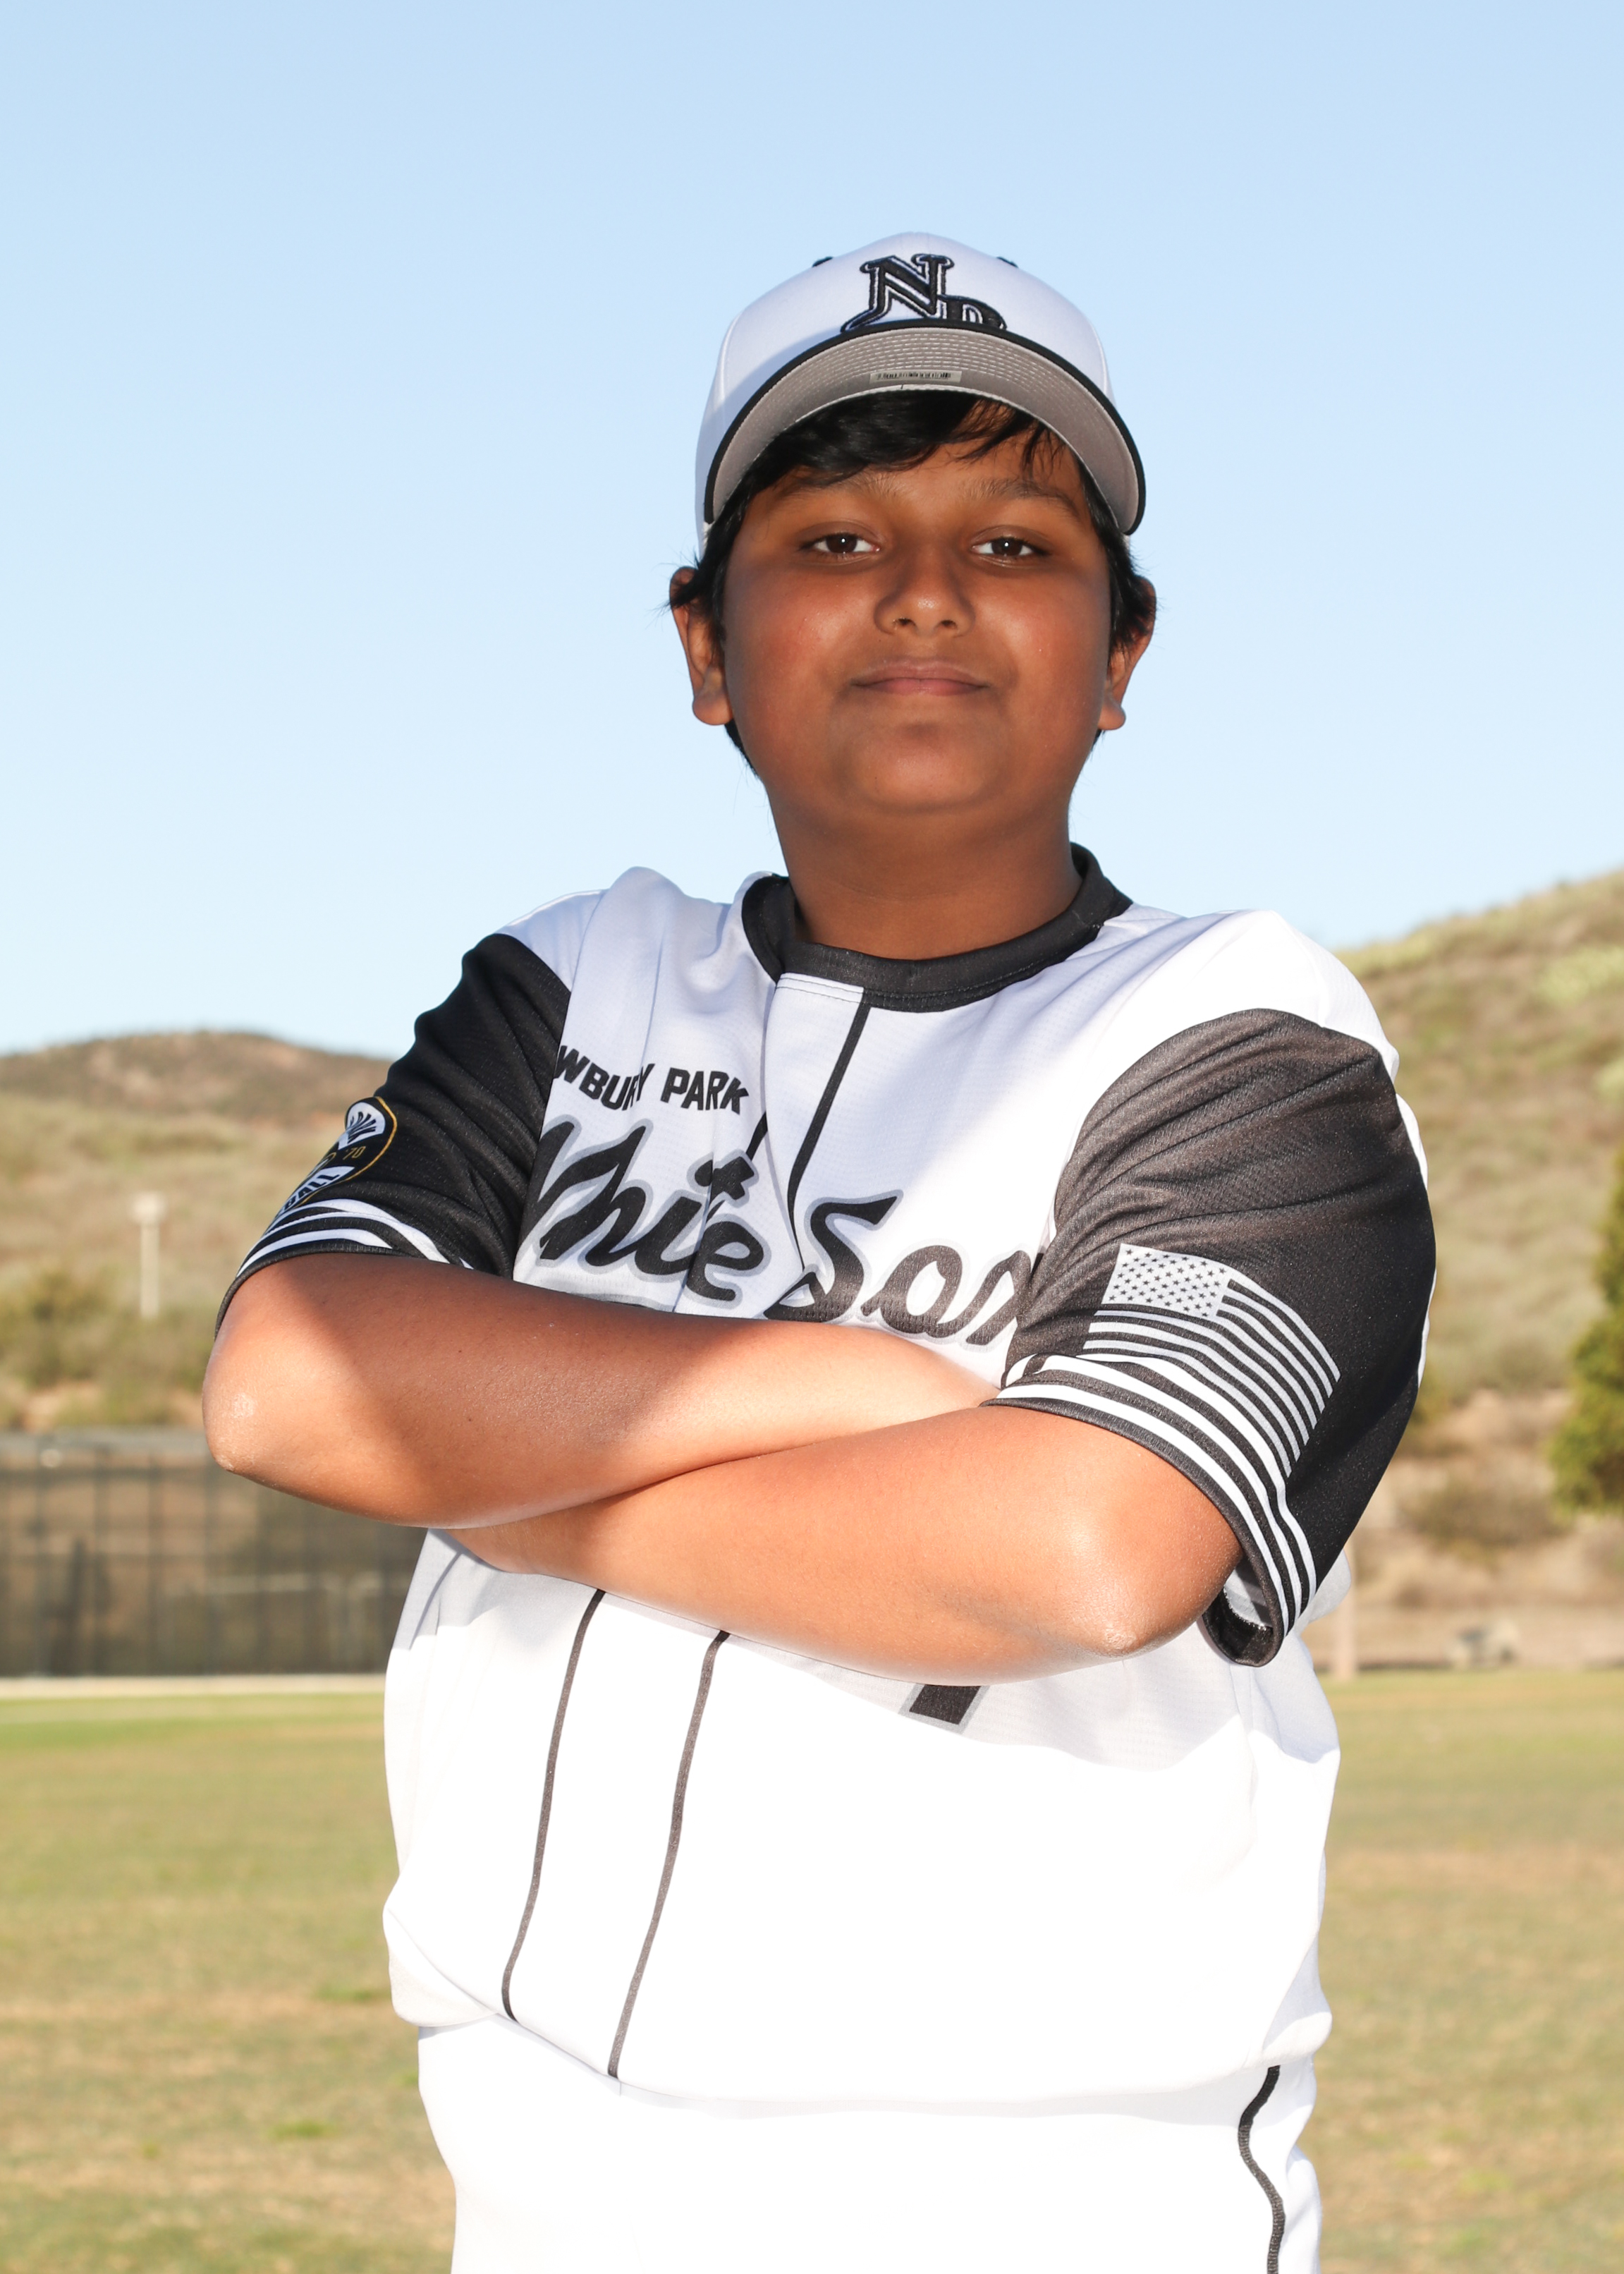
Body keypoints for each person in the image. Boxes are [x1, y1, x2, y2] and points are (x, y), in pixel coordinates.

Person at [204, 233, 1435, 2274]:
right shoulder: (577, 978)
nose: (926, 593)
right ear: (706, 647)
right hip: (535, 2180)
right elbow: (283, 1382)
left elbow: (1085, 1547)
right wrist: (826, 1389)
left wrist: (507, 1489)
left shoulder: (1239, 1029)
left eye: (1018, 545)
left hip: (1054, 2201)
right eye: (835, 536)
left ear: (1124, 654)